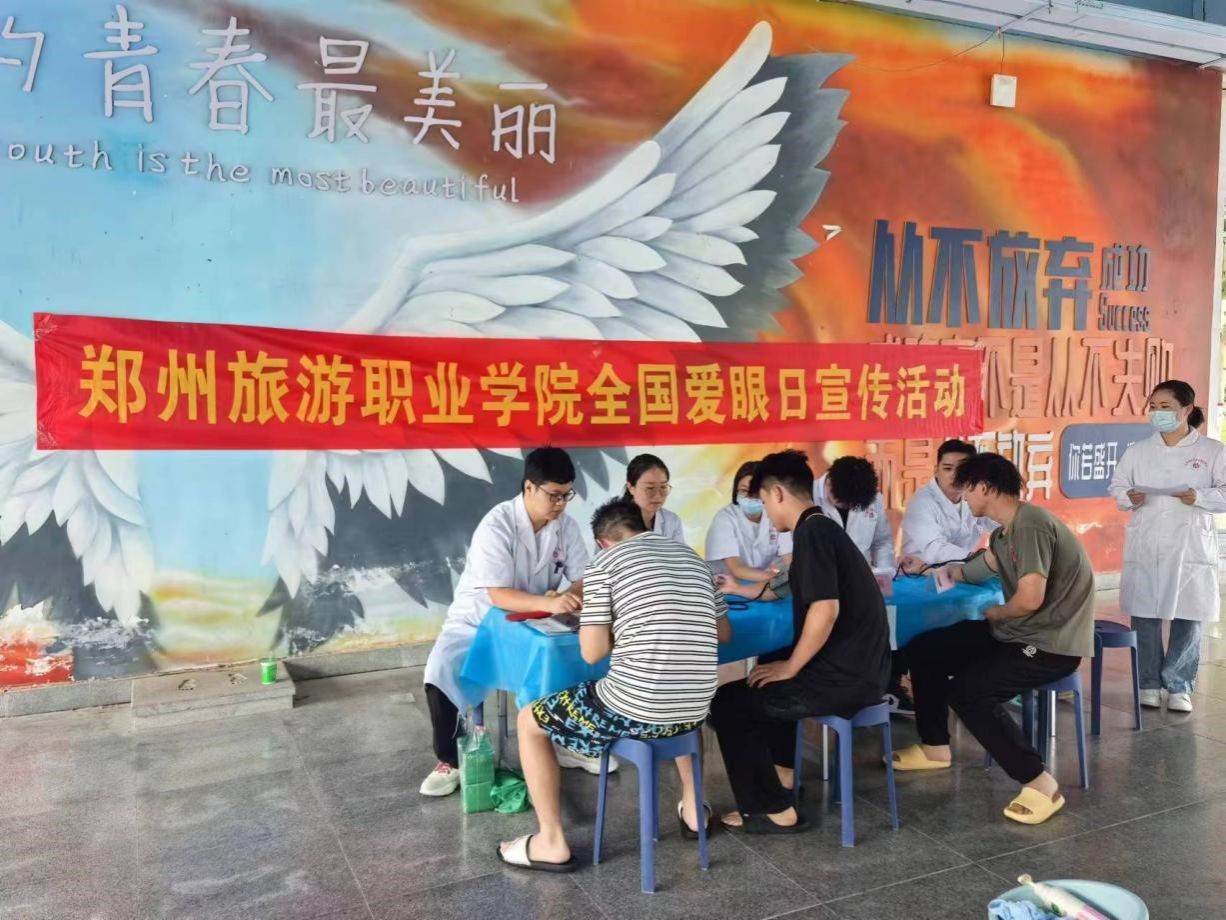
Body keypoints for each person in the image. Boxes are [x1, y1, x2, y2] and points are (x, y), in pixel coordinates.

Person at [498, 498, 730, 872]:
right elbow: (723, 633)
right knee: (679, 702)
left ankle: (550, 841)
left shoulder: (605, 564)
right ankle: (693, 810)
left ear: (602, 542)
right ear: (643, 526)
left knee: (529, 721)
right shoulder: (692, 559)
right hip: (695, 709)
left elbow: (592, 653)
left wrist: (613, 624)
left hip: (633, 708)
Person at [896, 453, 1095, 826]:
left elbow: (1029, 599)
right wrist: (928, 570)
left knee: (969, 693)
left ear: (985, 487)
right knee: (925, 649)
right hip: (1015, 634)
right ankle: (935, 746)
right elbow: (976, 568)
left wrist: (997, 613)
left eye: (967, 488)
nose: (963, 496)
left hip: (1049, 644)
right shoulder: (1005, 534)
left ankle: (1040, 784)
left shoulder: (1031, 525)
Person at [707, 450, 891, 833]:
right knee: (766, 671)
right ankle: (783, 780)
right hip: (859, 670)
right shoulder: (820, 528)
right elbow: (782, 587)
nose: (765, 512)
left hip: (845, 679)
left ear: (777, 494)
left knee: (728, 703)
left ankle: (773, 810)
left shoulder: (812, 534)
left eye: (763, 500)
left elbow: (825, 609)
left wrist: (792, 667)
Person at [420, 447, 597, 797]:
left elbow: (583, 578)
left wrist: (568, 596)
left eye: (567, 495)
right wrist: (549, 602)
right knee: (440, 668)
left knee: (572, 657)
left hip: (534, 620)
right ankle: (450, 760)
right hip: (479, 620)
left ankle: (565, 742)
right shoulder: (497, 524)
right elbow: (499, 594)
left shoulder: (566, 527)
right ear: (529, 487)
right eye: (554, 495)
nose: (561, 504)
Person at [1109, 380, 1226, 714]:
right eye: (1153, 407)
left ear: (1187, 410)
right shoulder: (1139, 451)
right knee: (1144, 613)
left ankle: (1179, 685)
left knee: (1188, 613)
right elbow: (1118, 485)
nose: (1157, 413)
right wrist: (1129, 496)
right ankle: (1147, 683)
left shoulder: (1213, 451)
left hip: (1190, 545)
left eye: (1166, 407)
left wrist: (1199, 496)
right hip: (1148, 542)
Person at [898, 439, 995, 572]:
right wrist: (979, 559)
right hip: (920, 575)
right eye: (947, 469)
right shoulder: (921, 502)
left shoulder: (974, 495)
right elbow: (935, 548)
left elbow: (997, 521)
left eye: (962, 469)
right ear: (936, 471)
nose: (954, 475)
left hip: (962, 571)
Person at [705, 460, 793, 582]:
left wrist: (790, 576)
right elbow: (737, 569)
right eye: (744, 490)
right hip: (729, 583)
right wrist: (774, 579)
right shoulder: (725, 518)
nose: (750, 496)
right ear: (736, 490)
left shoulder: (776, 514)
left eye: (755, 492)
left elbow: (789, 558)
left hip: (766, 580)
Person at [813, 456, 895, 570]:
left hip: (862, 575)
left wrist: (884, 572)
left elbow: (882, 542)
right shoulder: (808, 496)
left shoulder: (871, 496)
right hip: (821, 575)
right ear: (829, 483)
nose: (849, 506)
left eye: (853, 504)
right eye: (843, 502)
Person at [623, 453, 686, 545]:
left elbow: (681, 553)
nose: (657, 495)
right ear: (631, 488)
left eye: (663, 487)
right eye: (650, 488)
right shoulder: (612, 522)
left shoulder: (671, 521)